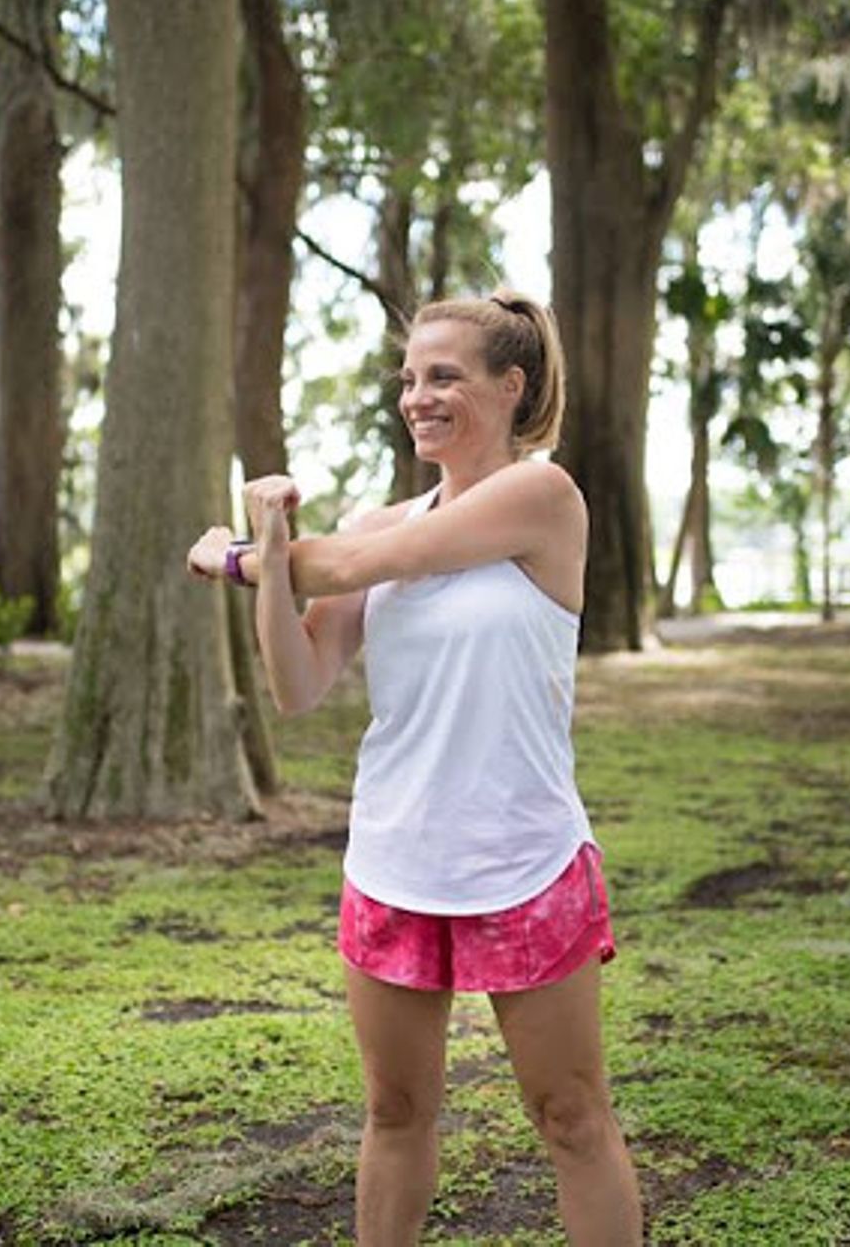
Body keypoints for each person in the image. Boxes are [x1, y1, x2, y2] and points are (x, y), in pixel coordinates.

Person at [185, 290, 642, 1245]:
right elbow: (299, 684)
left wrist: (235, 556)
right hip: (395, 860)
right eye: (408, 379)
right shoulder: (373, 519)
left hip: (523, 858)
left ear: (511, 387)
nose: (417, 397)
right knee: (395, 1113)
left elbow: (353, 567)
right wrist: (267, 553)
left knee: (569, 1117)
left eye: (445, 377)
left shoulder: (540, 498)